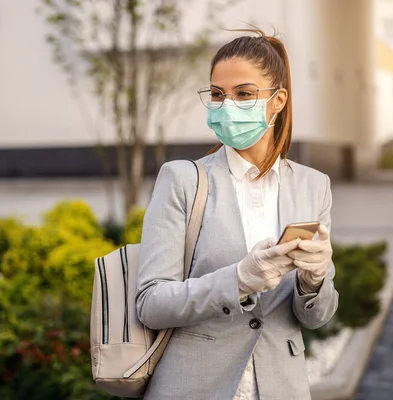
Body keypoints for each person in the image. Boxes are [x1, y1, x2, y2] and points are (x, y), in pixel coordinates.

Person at [135, 29, 339, 400]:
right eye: (217, 94)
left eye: (243, 94)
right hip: (194, 387)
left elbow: (315, 317)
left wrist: (316, 278)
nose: (226, 105)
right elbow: (151, 303)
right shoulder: (182, 179)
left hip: (280, 387)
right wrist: (240, 279)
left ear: (277, 101)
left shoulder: (314, 185)